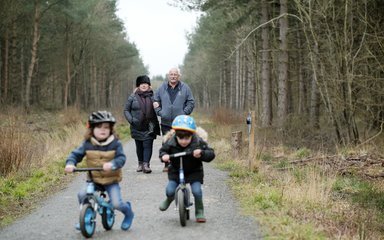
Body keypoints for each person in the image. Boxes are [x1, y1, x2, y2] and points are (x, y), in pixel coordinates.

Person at [64, 111, 134, 231]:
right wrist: (70, 164)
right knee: (82, 194)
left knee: (116, 203)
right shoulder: (87, 143)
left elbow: (121, 158)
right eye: (99, 127)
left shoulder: (115, 143)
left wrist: (112, 164)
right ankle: (85, 215)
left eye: (106, 127)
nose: (103, 130)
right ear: (91, 129)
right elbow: (75, 155)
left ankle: (128, 213)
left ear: (111, 129)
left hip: (111, 180)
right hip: (93, 179)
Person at [158, 115, 215, 223]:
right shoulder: (170, 142)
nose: (184, 141)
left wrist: (201, 153)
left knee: (197, 191)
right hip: (176, 170)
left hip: (194, 171)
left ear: (192, 135)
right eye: (181, 138)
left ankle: (199, 211)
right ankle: (169, 199)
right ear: (175, 135)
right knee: (169, 190)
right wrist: (164, 156)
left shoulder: (198, 142)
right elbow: (163, 151)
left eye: (187, 138)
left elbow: (211, 154)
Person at [153, 67, 195, 172]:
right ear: (168, 76)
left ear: (178, 76)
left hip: (181, 123)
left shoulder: (185, 87)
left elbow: (191, 102)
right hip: (166, 121)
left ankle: (180, 165)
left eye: (175, 74)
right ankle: (167, 164)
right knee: (167, 143)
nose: (173, 76)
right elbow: (155, 101)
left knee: (181, 142)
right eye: (171, 74)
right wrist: (160, 112)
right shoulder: (162, 87)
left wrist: (184, 113)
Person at [124, 75, 160, 173]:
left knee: (148, 144)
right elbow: (126, 110)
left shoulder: (154, 96)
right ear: (138, 85)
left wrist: (158, 106)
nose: (144, 86)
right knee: (139, 145)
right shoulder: (132, 96)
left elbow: (159, 108)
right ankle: (140, 164)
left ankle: (146, 164)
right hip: (136, 125)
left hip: (150, 125)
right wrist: (131, 120)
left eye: (146, 84)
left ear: (149, 85)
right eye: (142, 84)